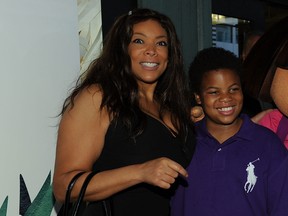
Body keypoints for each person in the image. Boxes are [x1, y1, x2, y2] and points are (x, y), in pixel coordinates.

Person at [53, 8, 196, 216]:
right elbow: (64, 186)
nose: (151, 50)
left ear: (170, 54)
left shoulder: (173, 107)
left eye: (161, 43)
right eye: (139, 41)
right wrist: (140, 172)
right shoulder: (99, 98)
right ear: (122, 49)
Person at [171, 47, 288, 216]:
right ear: (198, 97)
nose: (226, 98)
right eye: (214, 92)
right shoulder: (183, 142)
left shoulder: (268, 145)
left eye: (233, 89)